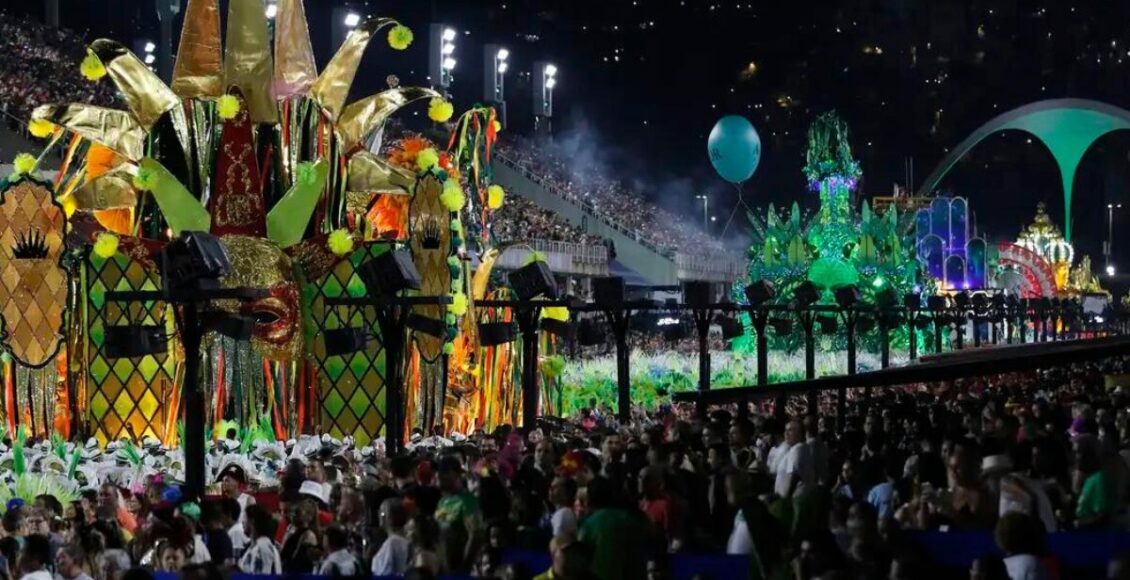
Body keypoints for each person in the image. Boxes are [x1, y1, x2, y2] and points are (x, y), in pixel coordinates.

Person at [435, 456, 483, 573]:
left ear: (456, 475)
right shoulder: (442, 501)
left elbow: (475, 535)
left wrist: (464, 568)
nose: (438, 476)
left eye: (444, 472)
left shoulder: (468, 500)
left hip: (459, 568)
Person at [371, 498, 410, 577]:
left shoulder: (392, 543)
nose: (379, 515)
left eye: (381, 513)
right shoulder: (407, 540)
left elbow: (384, 571)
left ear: (388, 517)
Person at [238, 505, 281, 575]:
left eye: (244, 517)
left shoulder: (263, 548)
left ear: (252, 521)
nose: (242, 522)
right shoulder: (254, 546)